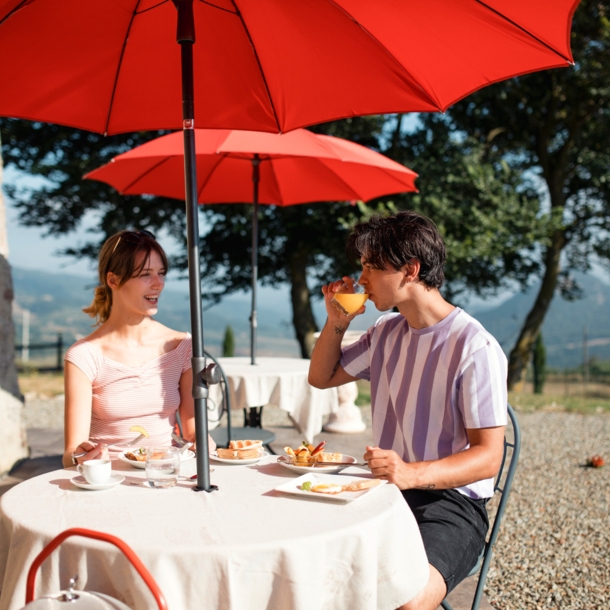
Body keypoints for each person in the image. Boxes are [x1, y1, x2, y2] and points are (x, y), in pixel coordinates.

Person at [308, 211, 507, 610]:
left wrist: (412, 473)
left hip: (450, 504)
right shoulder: (385, 332)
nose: (360, 278)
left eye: (371, 267)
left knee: (408, 602)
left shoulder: (474, 347)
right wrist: (337, 323)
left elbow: (488, 458)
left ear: (410, 270)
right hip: (385, 493)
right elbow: (322, 377)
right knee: (308, 565)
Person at [62, 229, 216, 468]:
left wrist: (202, 440)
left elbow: (192, 432)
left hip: (166, 473)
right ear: (113, 280)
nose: (159, 283)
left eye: (161, 273)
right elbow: (71, 453)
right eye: (146, 274)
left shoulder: (183, 346)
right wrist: (81, 457)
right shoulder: (84, 356)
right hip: (109, 481)